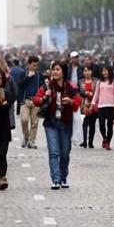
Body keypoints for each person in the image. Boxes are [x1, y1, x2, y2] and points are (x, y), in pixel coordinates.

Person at [33, 61, 82, 190]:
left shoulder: (70, 86)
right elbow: (36, 100)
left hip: (66, 123)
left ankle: (63, 177)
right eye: (53, 69)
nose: (54, 72)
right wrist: (44, 97)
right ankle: (55, 178)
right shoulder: (47, 86)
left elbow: (78, 101)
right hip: (51, 123)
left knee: (65, 153)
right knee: (54, 152)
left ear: (63, 72)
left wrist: (71, 101)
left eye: (57, 69)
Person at [92, 65, 114, 150]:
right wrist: (93, 102)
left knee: (109, 125)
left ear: (109, 71)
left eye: (106, 70)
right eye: (103, 71)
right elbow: (96, 94)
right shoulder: (99, 82)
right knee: (101, 124)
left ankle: (108, 142)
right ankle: (104, 137)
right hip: (101, 106)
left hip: (111, 106)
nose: (104, 72)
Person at [19, 56, 42, 149]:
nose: (35, 68)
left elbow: (42, 87)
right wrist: (28, 77)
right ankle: (26, 137)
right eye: (33, 65)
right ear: (29, 64)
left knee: (34, 123)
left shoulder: (39, 75)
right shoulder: (23, 74)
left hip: (36, 101)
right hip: (26, 100)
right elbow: (20, 85)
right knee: (24, 120)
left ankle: (31, 141)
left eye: (37, 65)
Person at [78, 66, 99, 148]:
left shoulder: (97, 81)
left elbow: (98, 92)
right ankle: (84, 141)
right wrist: (85, 93)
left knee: (92, 124)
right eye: (85, 70)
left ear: (92, 71)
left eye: (89, 70)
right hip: (84, 104)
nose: (87, 72)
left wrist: (92, 94)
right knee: (84, 123)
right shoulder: (80, 81)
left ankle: (90, 142)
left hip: (93, 104)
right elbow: (79, 92)